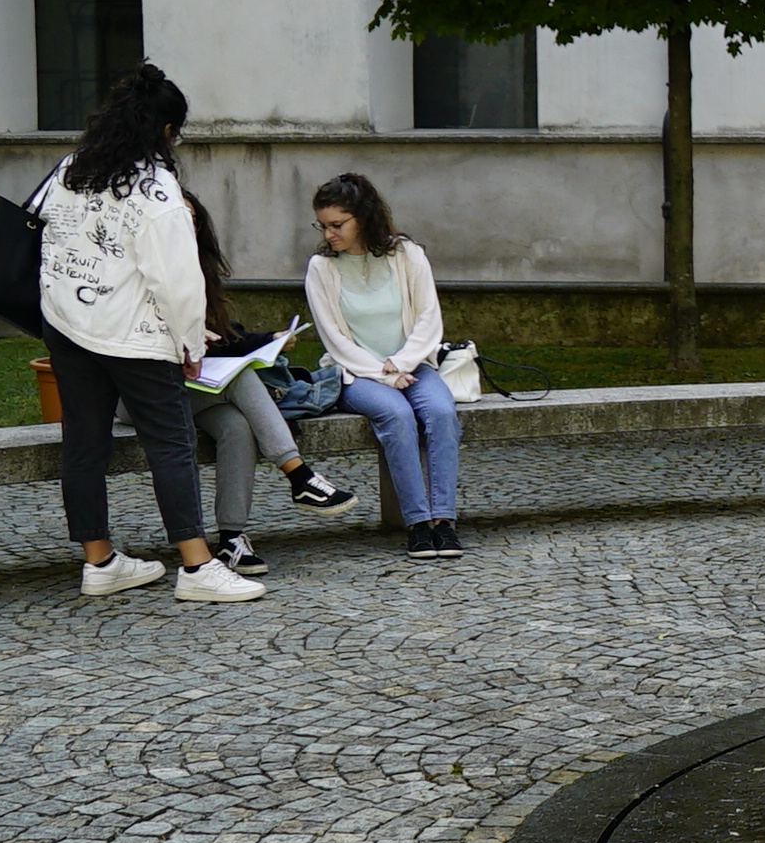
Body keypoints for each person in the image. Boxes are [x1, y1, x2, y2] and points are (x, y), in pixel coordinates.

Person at [32, 64, 265, 602]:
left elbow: (48, 237)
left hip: (67, 324)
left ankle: (100, 562)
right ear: (165, 132)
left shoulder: (69, 169)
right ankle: (197, 567)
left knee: (83, 444)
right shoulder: (157, 191)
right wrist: (189, 343)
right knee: (172, 444)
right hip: (134, 335)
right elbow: (178, 283)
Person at [182, 191, 358, 572]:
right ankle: (300, 475)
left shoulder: (196, 266)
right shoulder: (147, 268)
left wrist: (268, 340)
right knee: (243, 377)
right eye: (177, 218)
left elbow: (223, 336)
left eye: (193, 218)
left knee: (237, 425)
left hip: (196, 390)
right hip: (143, 394)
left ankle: (231, 539)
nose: (187, 226)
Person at [305, 172, 463, 559]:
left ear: (363, 217)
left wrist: (401, 364)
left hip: (411, 366)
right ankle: (417, 523)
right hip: (357, 374)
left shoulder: (407, 255)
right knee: (396, 416)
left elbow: (430, 319)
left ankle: (444, 520)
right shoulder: (321, 269)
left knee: (442, 412)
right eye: (323, 226)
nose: (329, 234)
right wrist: (383, 374)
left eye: (337, 225)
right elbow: (335, 340)